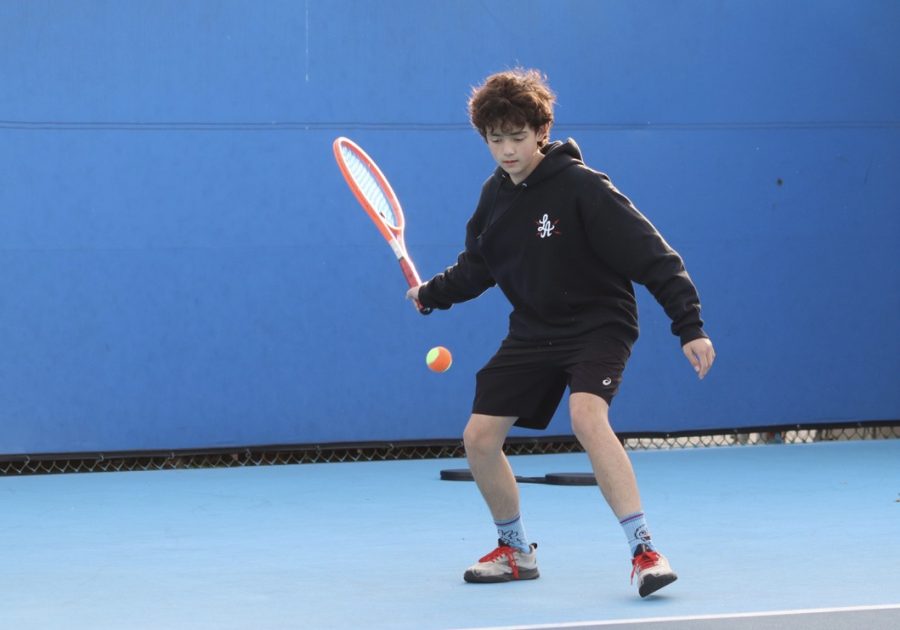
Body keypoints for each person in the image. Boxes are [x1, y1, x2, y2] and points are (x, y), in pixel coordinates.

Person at [406, 68, 715, 598]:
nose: (506, 149)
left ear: (541, 131)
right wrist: (431, 294)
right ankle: (515, 550)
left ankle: (645, 551)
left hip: (599, 322)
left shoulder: (582, 188)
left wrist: (689, 325)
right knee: (479, 439)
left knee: (586, 415)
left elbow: (654, 256)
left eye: (517, 137)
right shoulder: (494, 197)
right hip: (533, 329)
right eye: (494, 139)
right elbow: (478, 266)